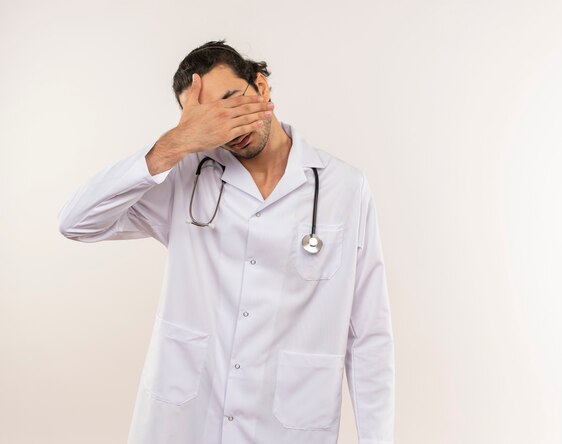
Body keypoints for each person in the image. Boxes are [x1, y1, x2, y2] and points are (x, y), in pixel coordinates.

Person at [58, 40, 395, 444]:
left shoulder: (344, 187)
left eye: (231, 99)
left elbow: (369, 333)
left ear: (261, 88)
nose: (226, 125)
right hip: (185, 420)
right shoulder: (185, 177)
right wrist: (176, 143)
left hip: (288, 423)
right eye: (206, 117)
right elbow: (76, 222)